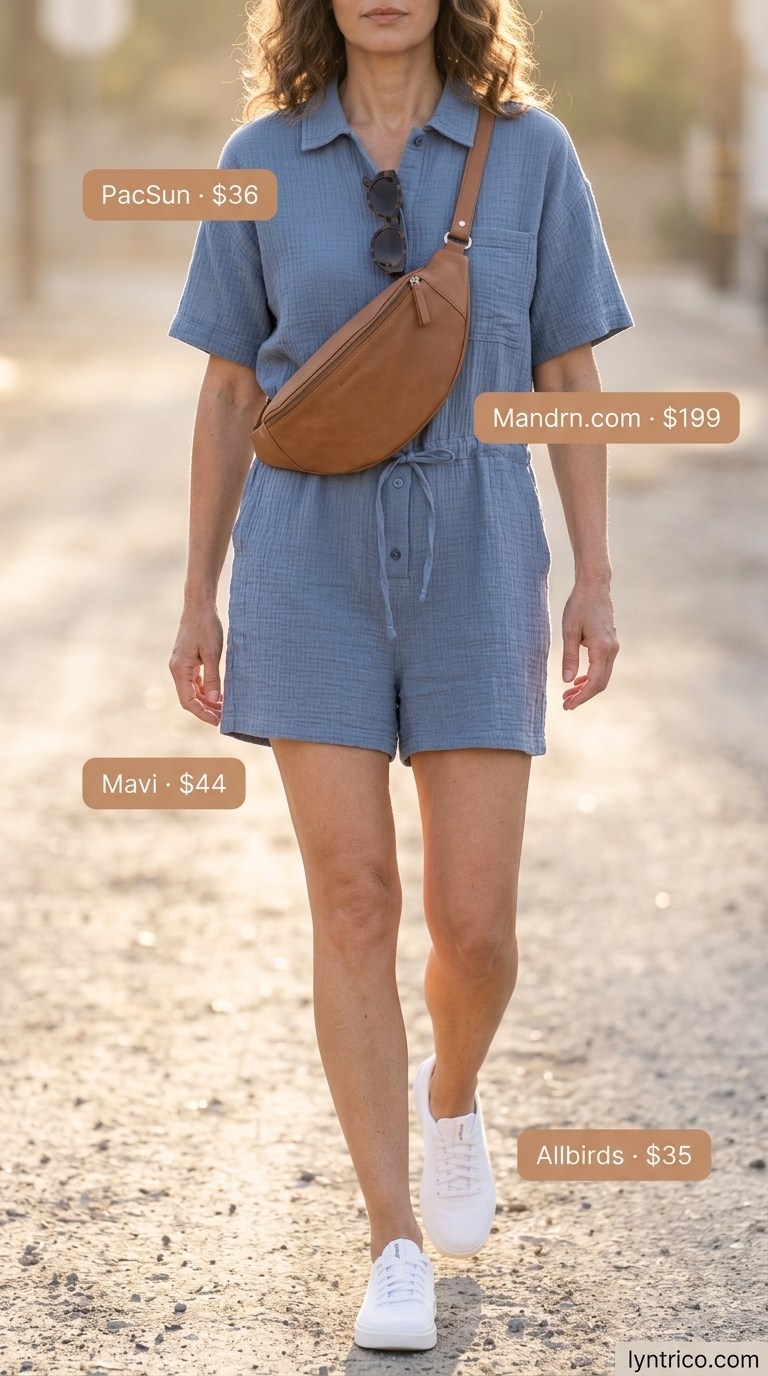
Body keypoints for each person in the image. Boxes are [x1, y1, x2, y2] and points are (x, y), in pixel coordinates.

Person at [168, 0, 631, 1351]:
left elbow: (568, 365)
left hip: (481, 553)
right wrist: (197, 593)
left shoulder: (531, 150)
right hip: (307, 559)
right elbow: (223, 394)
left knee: (475, 929)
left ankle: (453, 1097)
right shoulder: (255, 153)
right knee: (355, 900)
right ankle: (389, 1242)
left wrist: (594, 574)